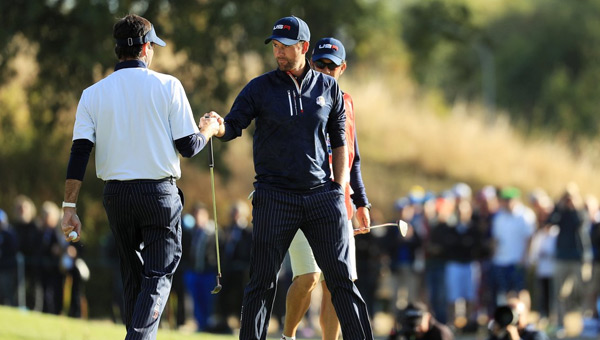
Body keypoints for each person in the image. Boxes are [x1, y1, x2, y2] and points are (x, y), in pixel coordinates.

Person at [201, 16, 374, 340]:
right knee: (262, 282)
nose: (278, 53)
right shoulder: (260, 88)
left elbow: (341, 143)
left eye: (285, 47)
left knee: (342, 280)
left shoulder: (328, 88)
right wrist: (216, 125)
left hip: (322, 196)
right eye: (275, 47)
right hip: (274, 196)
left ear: (303, 47)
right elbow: (233, 124)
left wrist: (339, 191)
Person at [59, 14, 221, 340]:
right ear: (146, 48)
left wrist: (68, 207)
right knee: (158, 276)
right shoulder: (168, 85)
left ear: (118, 50)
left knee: (134, 278)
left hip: (116, 198)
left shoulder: (93, 94)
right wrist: (209, 129)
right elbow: (189, 147)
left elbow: (80, 154)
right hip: (159, 196)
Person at [280, 37, 372, 340]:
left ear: (342, 68)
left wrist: (361, 204)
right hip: (300, 199)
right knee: (308, 277)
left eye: (331, 66)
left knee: (338, 282)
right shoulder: (295, 95)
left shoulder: (347, 102)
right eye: (319, 64)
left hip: (339, 205)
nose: (324, 70)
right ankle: (288, 335)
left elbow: (353, 159)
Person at [388, 301, 454, 340]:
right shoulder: (404, 333)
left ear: (428, 318)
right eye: (410, 325)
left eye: (418, 325)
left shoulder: (440, 333)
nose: (416, 330)